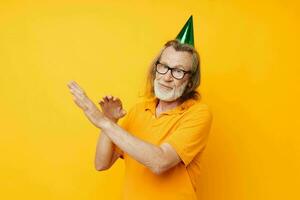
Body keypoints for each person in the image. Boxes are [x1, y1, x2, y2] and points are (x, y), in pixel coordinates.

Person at [67, 15, 213, 200]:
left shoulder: (198, 114)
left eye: (178, 71)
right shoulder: (138, 111)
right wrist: (111, 121)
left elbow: (160, 162)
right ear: (155, 69)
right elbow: (101, 163)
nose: (167, 77)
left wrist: (103, 122)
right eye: (164, 67)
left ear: (190, 80)